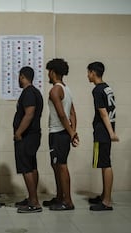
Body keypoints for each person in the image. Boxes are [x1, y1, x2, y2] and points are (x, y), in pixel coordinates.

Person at [41, 58, 78, 211]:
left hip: (58, 133)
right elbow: (73, 113)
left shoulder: (55, 90)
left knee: (61, 166)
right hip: (63, 133)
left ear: (53, 72)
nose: (48, 75)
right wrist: (73, 132)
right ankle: (59, 197)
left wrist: (71, 134)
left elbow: (63, 115)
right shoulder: (66, 88)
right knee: (56, 165)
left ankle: (68, 201)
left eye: (49, 72)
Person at [87, 62, 119, 211]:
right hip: (106, 130)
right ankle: (104, 195)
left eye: (88, 72)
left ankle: (107, 201)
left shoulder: (97, 90)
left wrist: (111, 133)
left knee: (105, 164)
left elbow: (103, 112)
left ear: (93, 73)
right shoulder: (107, 87)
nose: (87, 75)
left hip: (103, 131)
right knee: (103, 163)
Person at [13, 66, 44, 213]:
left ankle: (34, 203)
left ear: (22, 76)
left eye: (19, 76)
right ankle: (32, 197)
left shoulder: (29, 93)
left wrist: (19, 132)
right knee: (32, 167)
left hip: (27, 136)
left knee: (26, 168)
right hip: (32, 135)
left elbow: (29, 114)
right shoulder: (34, 92)